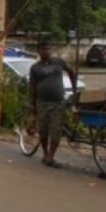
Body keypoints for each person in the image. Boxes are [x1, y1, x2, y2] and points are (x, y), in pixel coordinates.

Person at [29, 40, 77, 168]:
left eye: (48, 49)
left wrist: (74, 90)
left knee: (56, 130)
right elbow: (32, 87)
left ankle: (51, 156)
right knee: (43, 130)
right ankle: (45, 154)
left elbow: (71, 72)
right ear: (38, 51)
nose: (47, 51)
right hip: (42, 102)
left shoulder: (59, 62)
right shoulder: (35, 68)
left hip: (58, 102)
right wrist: (32, 104)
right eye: (44, 49)